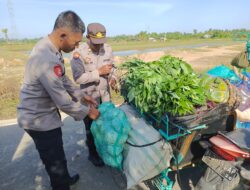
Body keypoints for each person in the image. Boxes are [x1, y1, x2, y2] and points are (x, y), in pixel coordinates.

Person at [17, 11, 100, 190]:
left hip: (43, 113)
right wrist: (89, 112)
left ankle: (64, 177)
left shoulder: (51, 47)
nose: (77, 46)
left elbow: (62, 79)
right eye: (76, 42)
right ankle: (61, 184)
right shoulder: (46, 58)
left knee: (57, 156)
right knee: (54, 162)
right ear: (63, 35)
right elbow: (63, 102)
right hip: (38, 119)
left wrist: (80, 94)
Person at [70, 23, 117, 167]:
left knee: (105, 125)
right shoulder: (78, 53)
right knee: (90, 128)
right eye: (95, 43)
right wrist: (99, 72)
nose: (99, 46)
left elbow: (112, 68)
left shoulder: (107, 49)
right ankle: (92, 153)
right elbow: (78, 78)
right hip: (89, 98)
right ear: (87, 38)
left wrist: (113, 78)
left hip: (105, 96)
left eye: (101, 43)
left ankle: (103, 150)